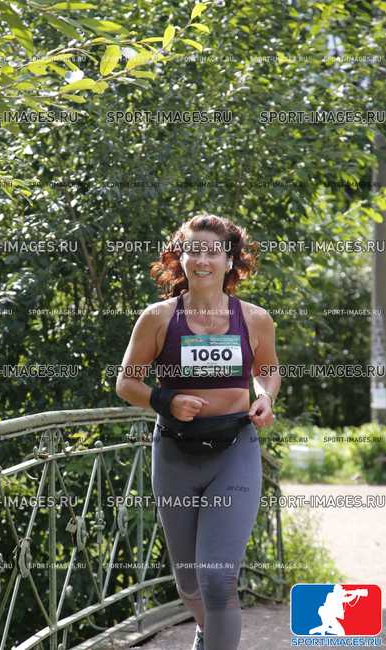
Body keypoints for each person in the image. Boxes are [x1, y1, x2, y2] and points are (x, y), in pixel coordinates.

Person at [116, 213, 280, 650]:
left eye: (214, 252)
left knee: (218, 579)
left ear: (230, 261)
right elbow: (126, 383)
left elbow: (267, 371)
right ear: (181, 257)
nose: (203, 260)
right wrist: (165, 400)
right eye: (194, 250)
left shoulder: (255, 319)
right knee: (189, 582)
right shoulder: (158, 318)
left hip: (235, 450)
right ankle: (208, 633)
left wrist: (265, 396)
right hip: (176, 453)